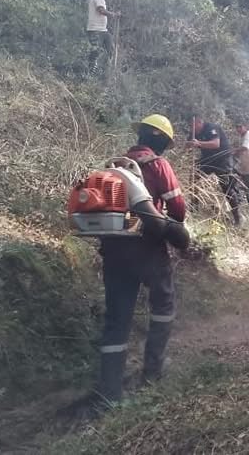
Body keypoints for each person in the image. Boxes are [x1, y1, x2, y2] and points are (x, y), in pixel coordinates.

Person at [95, 114, 186, 404]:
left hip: (113, 250)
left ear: (141, 136)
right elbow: (179, 210)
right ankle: (153, 370)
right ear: (161, 142)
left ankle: (110, 391)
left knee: (117, 319)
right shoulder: (157, 165)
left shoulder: (115, 166)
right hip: (147, 248)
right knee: (163, 304)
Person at [188, 116, 241, 226]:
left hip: (222, 159)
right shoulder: (193, 132)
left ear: (199, 122)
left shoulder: (211, 128)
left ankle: (237, 217)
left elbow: (215, 143)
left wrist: (198, 144)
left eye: (193, 125)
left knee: (226, 187)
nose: (191, 128)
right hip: (208, 160)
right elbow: (188, 144)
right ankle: (194, 208)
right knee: (194, 176)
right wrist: (189, 145)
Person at [86, 0, 119, 76]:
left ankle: (107, 72)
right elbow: (101, 10)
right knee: (96, 52)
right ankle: (91, 74)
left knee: (110, 49)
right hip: (96, 30)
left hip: (102, 30)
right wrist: (113, 14)